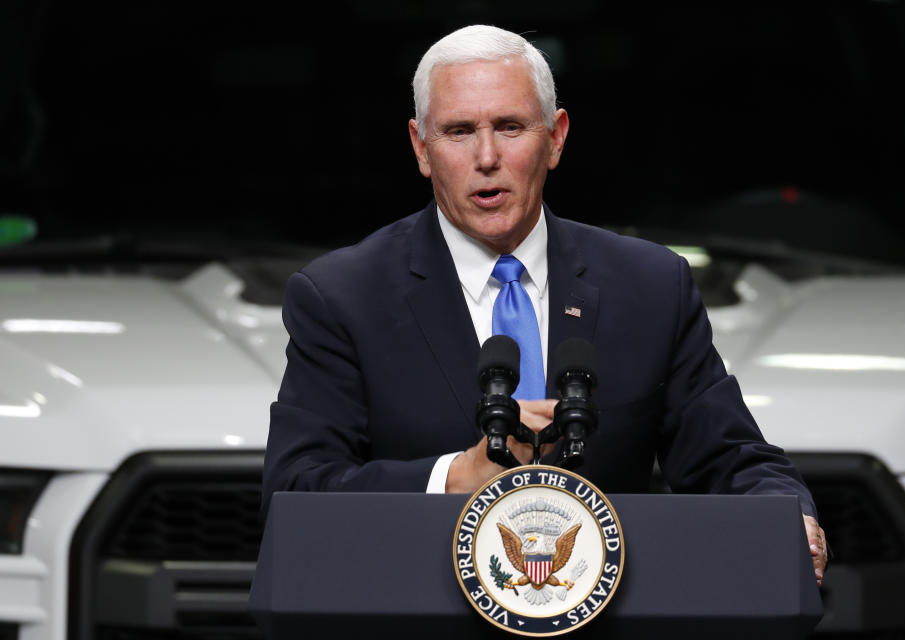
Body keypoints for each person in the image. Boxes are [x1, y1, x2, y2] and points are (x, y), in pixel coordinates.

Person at [262, 24, 828, 585]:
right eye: (459, 131)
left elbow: (730, 458)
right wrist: (457, 477)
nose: (487, 156)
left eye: (510, 127)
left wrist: (787, 514)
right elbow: (296, 492)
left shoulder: (651, 286)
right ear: (421, 148)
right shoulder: (341, 297)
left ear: (555, 138)